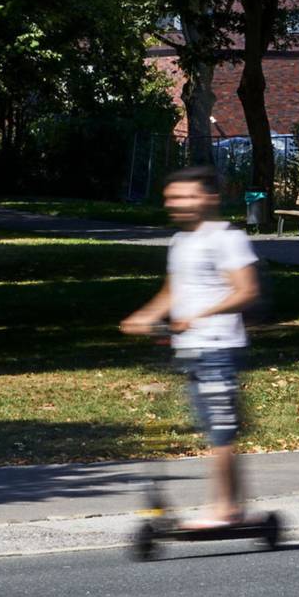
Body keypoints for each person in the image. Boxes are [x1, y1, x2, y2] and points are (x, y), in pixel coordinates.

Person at [121, 165, 260, 527]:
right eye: (172, 197)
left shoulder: (227, 238)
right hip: (190, 349)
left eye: (186, 195)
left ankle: (226, 509)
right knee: (214, 430)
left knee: (220, 430)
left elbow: (246, 290)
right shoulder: (180, 242)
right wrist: (143, 315)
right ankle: (235, 506)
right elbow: (172, 292)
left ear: (210, 197)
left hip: (218, 347)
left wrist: (198, 314)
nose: (176, 203)